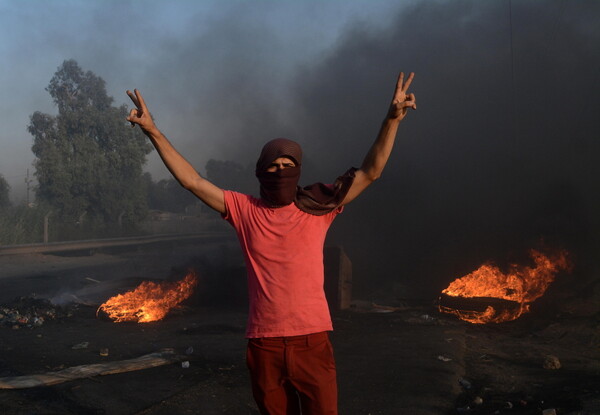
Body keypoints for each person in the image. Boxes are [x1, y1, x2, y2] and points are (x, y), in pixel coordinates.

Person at [126, 72, 416, 415]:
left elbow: (371, 171)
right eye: (273, 166)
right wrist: (153, 131)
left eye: (288, 165)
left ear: (298, 171)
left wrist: (391, 120)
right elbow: (192, 181)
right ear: (261, 172)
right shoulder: (245, 210)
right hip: (264, 344)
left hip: (312, 340)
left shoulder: (318, 207)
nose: (280, 171)